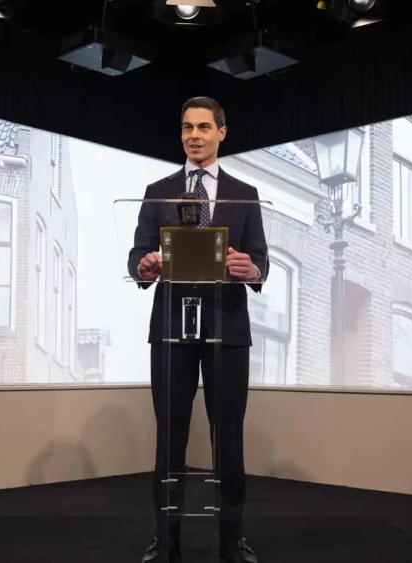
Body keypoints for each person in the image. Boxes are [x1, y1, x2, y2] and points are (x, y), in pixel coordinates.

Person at [128, 96, 268, 563]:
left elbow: (261, 261)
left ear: (221, 133)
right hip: (170, 329)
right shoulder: (158, 190)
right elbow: (136, 258)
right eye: (187, 127)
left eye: (204, 127)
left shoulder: (244, 195)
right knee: (170, 436)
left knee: (227, 437)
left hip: (227, 330)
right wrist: (145, 266)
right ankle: (166, 540)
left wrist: (252, 269)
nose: (194, 135)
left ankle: (231, 539)